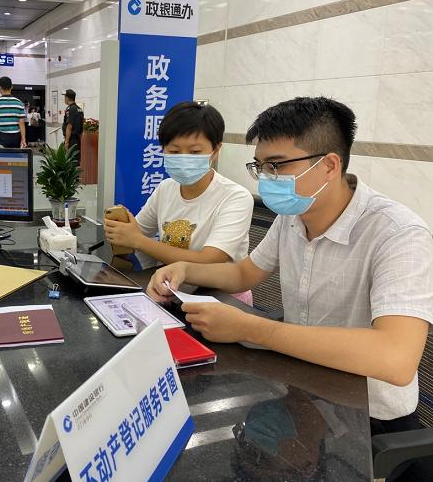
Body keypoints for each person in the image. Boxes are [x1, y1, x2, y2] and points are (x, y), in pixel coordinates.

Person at [148, 97, 433, 460]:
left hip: (368, 420)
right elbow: (244, 272)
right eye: (260, 166)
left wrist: (250, 328)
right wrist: (186, 269)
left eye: (277, 165)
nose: (266, 178)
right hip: (301, 393)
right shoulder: (294, 215)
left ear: (329, 165)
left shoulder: (398, 234)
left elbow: (395, 358)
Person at [105, 102, 254, 303]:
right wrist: (121, 229)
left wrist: (137, 240)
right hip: (171, 291)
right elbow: (136, 233)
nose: (184, 159)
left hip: (222, 299)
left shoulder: (236, 197)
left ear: (216, 150)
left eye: (194, 152)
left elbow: (209, 261)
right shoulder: (166, 188)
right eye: (174, 152)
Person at [0, 76, 26, 148]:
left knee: (2, 155)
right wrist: (23, 139)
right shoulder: (19, 103)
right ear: (11, 87)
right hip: (16, 137)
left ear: (0, 87)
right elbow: (21, 123)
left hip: (1, 136)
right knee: (15, 154)